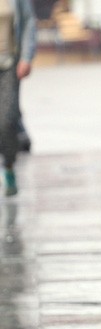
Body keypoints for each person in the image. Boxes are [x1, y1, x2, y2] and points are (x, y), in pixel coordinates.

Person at [0, 0, 36, 196]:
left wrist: (26, 57)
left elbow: (28, 21)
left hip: (9, 65)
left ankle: (9, 166)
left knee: (6, 120)